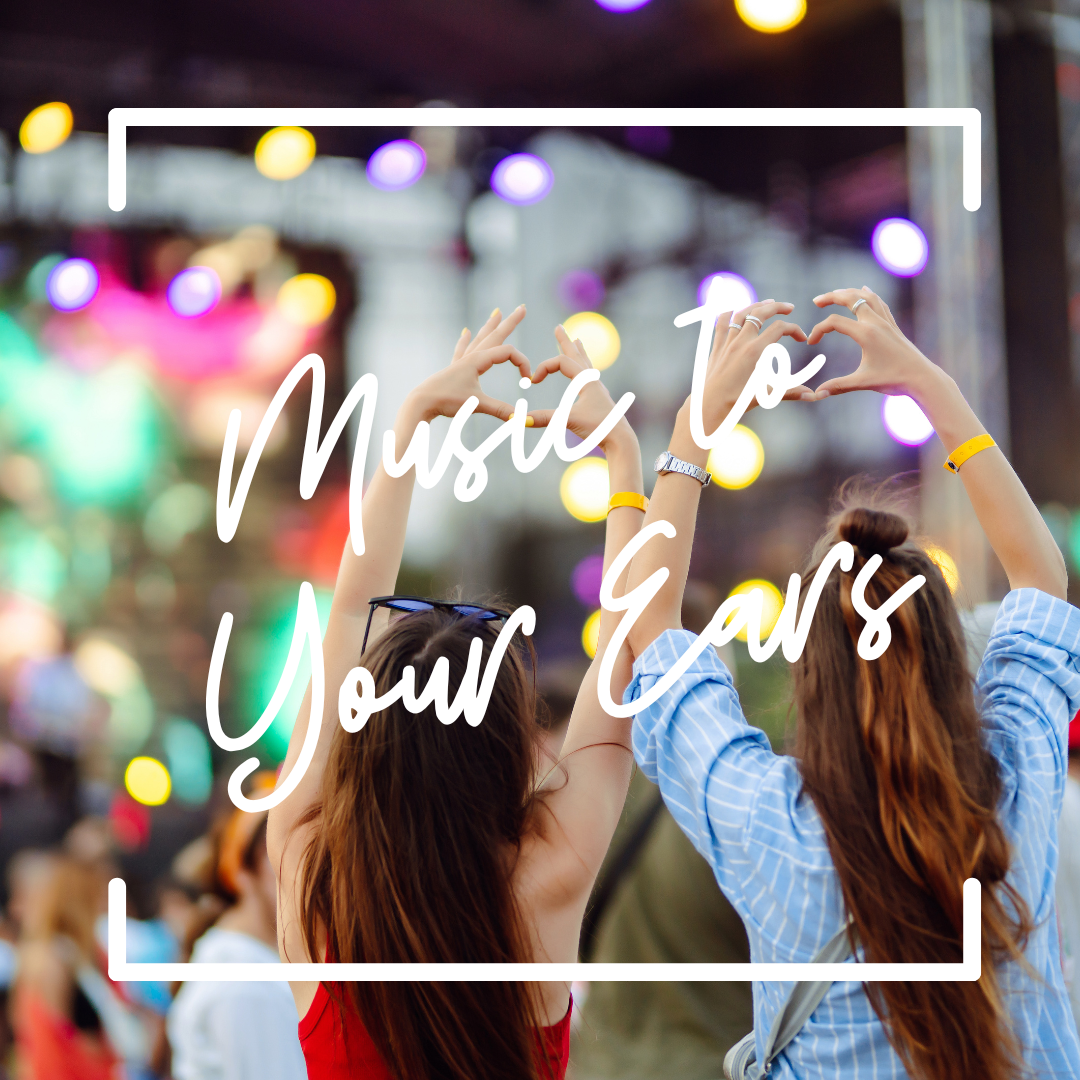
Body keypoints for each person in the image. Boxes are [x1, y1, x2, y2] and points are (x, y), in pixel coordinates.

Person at [621, 287, 1079, 1079]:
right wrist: (934, 389)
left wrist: (697, 429)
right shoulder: (1014, 789)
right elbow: (1041, 575)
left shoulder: (766, 819)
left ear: (807, 670)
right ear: (948, 651)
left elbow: (648, 617)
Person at [266, 306, 645, 1080]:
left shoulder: (309, 868)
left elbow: (348, 613)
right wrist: (622, 458)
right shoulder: (547, 875)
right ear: (502, 742)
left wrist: (411, 426)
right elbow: (625, 647)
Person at [167, 777, 306, 1080]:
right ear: (244, 872)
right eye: (284, 853)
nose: (305, 870)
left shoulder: (246, 963)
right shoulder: (244, 984)